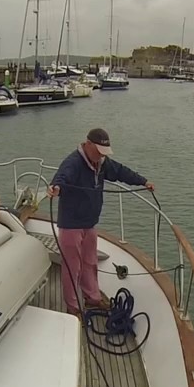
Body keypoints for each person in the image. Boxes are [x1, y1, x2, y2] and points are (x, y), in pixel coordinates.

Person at [48, 128, 154, 316]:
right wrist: (56, 188)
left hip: (90, 222)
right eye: (98, 151)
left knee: (90, 262)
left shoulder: (102, 163)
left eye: (104, 153)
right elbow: (61, 178)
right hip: (71, 224)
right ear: (87, 144)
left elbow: (121, 171)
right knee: (72, 268)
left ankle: (92, 299)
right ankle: (73, 308)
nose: (100, 156)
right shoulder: (73, 162)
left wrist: (143, 182)